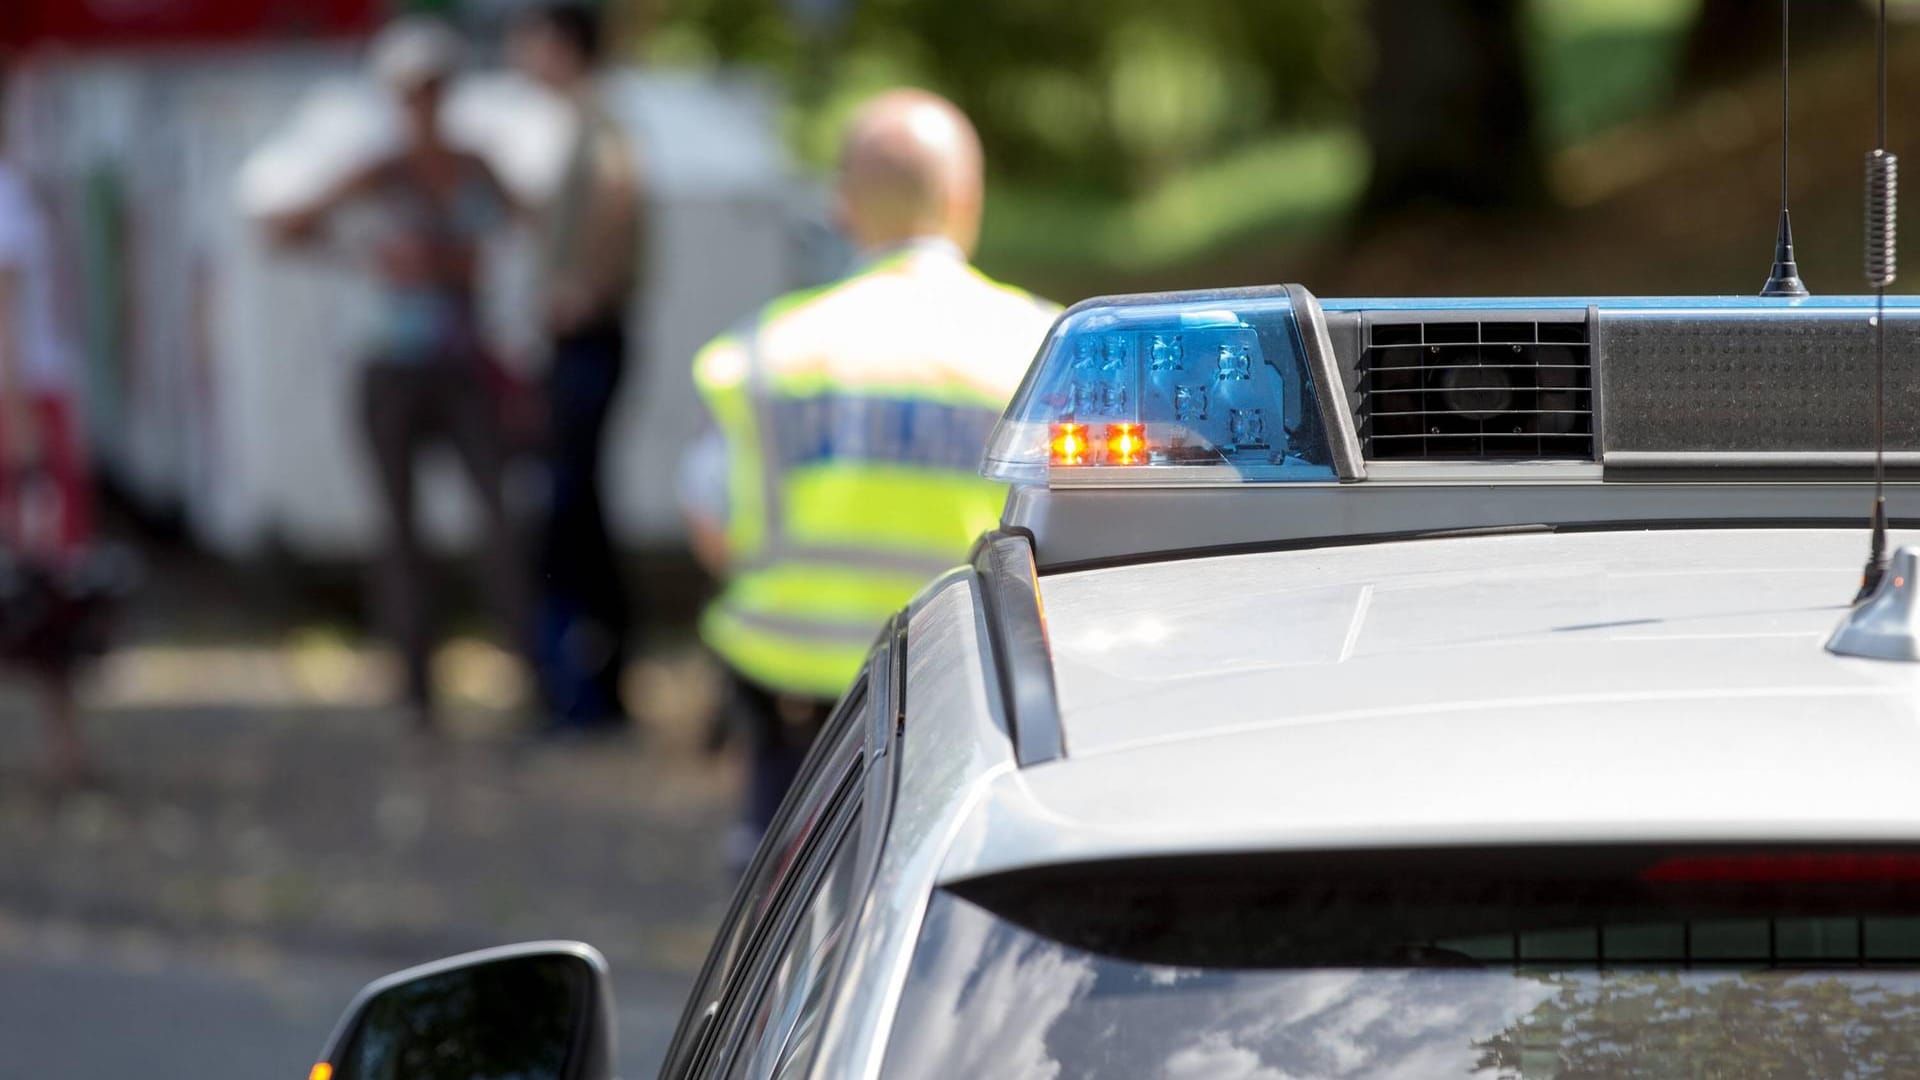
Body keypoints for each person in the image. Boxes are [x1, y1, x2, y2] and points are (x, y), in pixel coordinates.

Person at [680, 89, 1059, 862]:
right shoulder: (1040, 349)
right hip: (973, 707)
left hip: (795, 717)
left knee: (792, 953)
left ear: (843, 206)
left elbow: (710, 512)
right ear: (967, 201)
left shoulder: (767, 353)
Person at [268, 18, 531, 729]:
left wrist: (442, 261)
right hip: (391, 368)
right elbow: (282, 225)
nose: (424, 102)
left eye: (434, 89)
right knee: (401, 529)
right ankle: (416, 688)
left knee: (498, 520)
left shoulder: (474, 165)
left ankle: (530, 672)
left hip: (464, 365)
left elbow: (513, 234)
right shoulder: (377, 171)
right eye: (412, 91)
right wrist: (365, 256)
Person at [511, 3, 642, 730]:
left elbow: (616, 209)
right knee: (577, 512)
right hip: (587, 340)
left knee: (569, 512)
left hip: (588, 341)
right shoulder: (581, 126)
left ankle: (584, 692)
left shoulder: (599, 129)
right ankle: (587, 688)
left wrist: (576, 292)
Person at [0, 64, 97, 784]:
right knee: (44, 578)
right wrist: (19, 416)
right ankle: (63, 747)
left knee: (40, 582)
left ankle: (64, 748)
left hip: (26, 398)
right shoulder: (5, 194)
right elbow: (4, 318)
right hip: (26, 402)